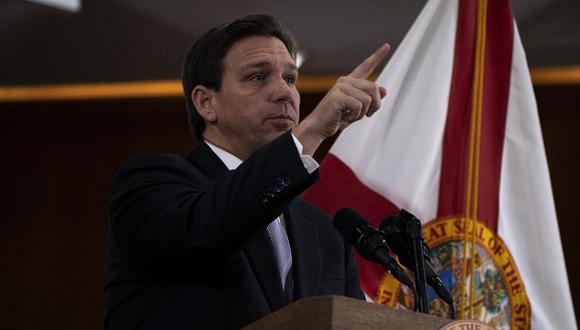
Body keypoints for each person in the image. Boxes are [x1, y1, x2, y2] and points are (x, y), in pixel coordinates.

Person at [105, 14, 389, 329]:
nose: (285, 92)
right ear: (206, 103)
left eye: (290, 78)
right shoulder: (149, 182)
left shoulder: (327, 232)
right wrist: (309, 134)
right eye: (258, 77)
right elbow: (208, 230)